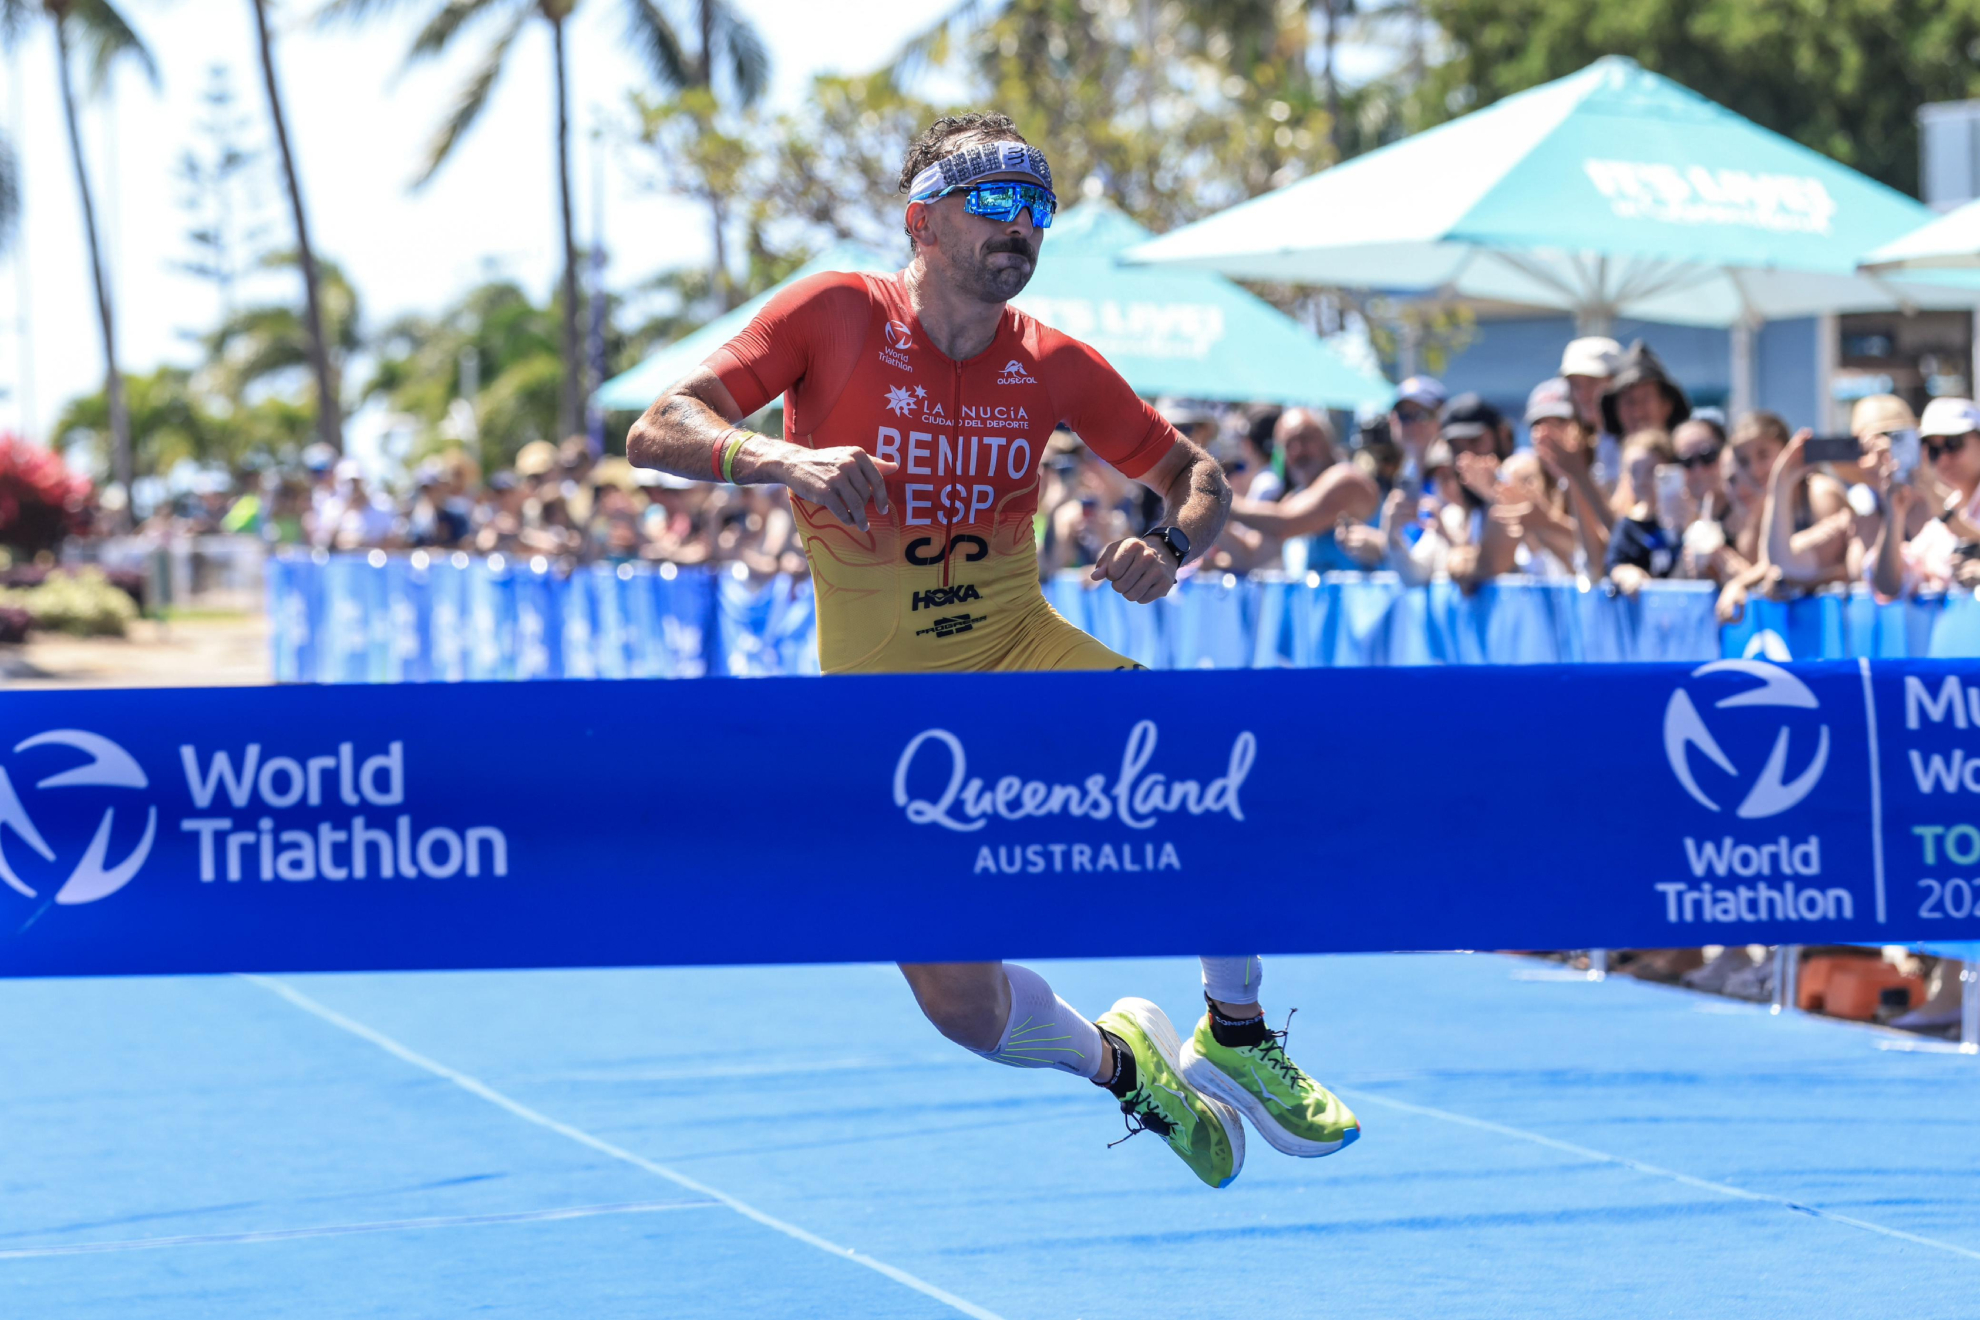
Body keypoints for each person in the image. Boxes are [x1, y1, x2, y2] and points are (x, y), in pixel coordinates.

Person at [625, 113, 1357, 1189]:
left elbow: (1200, 478)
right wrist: (782, 456)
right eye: (998, 202)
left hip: (1021, 652)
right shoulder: (834, 312)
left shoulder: (1051, 363)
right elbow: (658, 425)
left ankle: (1237, 1032)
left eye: (1039, 207)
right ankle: (1125, 1066)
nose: (1024, 227)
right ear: (924, 218)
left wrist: (1168, 543)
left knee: (1207, 776)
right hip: (886, 711)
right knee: (962, 1007)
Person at [1220, 407, 1379, 572]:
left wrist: (1220, 501)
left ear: (1328, 441)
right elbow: (1249, 555)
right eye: (1288, 445)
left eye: (1305, 439)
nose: (1298, 451)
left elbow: (1286, 522)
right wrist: (1205, 513)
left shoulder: (1347, 480)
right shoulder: (1294, 500)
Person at [1878, 398, 1980, 596]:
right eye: (1933, 450)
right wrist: (1894, 515)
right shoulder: (1943, 514)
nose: (1943, 458)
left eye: (1953, 443)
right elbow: (1889, 584)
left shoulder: (1942, 508)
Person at [1604, 431, 1680, 595]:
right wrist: (1628, 573)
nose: (1642, 479)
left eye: (1651, 471)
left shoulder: (1685, 518)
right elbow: (1614, 563)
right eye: (1635, 471)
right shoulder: (1628, 525)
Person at [1560, 336, 1622, 487]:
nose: (1582, 395)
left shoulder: (1635, 446)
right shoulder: (1580, 446)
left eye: (1592, 382)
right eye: (1575, 385)